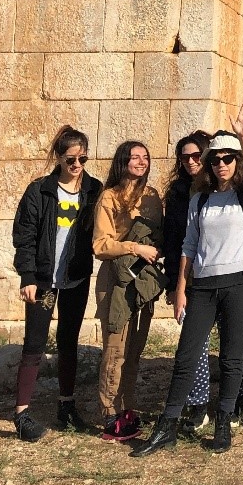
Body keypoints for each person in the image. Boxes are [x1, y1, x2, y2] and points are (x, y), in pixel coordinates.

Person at [133, 105, 243, 456]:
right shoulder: (199, 198)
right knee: (186, 355)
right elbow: (189, 244)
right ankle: (168, 424)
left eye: (227, 158)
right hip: (203, 285)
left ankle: (223, 420)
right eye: (216, 159)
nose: (221, 164)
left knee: (232, 358)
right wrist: (180, 290)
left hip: (240, 282)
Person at [10, 125, 103, 441]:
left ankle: (66, 405)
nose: (77, 166)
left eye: (83, 159)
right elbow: (24, 236)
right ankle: (21, 413)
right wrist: (28, 277)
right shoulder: (40, 190)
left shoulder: (94, 190)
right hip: (45, 282)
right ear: (59, 158)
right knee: (35, 343)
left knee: (68, 341)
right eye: (71, 159)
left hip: (75, 279)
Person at [93, 139, 164, 442]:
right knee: (115, 347)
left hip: (143, 279)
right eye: (134, 157)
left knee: (135, 348)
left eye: (145, 157)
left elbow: (159, 237)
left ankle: (128, 406)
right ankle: (108, 410)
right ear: (123, 162)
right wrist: (134, 246)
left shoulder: (152, 196)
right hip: (116, 278)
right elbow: (100, 244)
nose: (140, 162)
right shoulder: (109, 197)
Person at [162, 130, 215, 438]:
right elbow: (172, 241)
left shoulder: (222, 187)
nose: (192, 162)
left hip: (223, 272)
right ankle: (197, 403)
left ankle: (230, 402)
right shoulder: (179, 192)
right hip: (190, 276)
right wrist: (173, 283)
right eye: (185, 157)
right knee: (195, 342)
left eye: (197, 156)